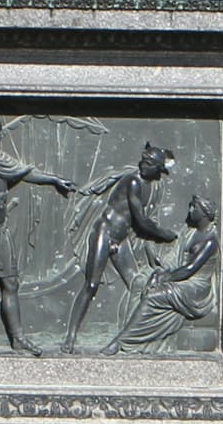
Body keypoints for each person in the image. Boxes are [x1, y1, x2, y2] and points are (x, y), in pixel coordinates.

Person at [0, 112, 77, 353]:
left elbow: (23, 172)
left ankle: (17, 337)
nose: (2, 135)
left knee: (10, 281)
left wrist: (54, 180)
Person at [68, 141, 183, 350]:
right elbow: (141, 220)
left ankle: (130, 339)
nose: (143, 165)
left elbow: (142, 221)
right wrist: (165, 235)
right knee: (91, 284)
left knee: (136, 284)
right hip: (105, 231)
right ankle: (71, 337)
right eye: (143, 160)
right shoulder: (133, 182)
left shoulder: (152, 187)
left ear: (157, 169)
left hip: (120, 240)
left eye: (148, 163)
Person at [113, 196, 222, 353]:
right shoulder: (189, 233)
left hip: (196, 287)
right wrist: (159, 271)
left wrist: (163, 278)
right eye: (190, 206)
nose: (190, 210)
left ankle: (124, 341)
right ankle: (130, 335)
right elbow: (175, 260)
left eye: (194, 208)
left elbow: (190, 269)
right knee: (140, 283)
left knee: (154, 295)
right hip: (180, 278)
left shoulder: (210, 240)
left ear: (205, 214)